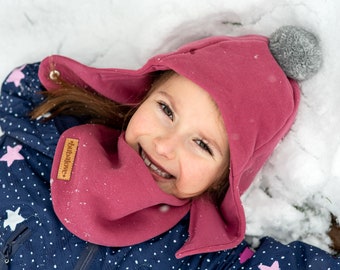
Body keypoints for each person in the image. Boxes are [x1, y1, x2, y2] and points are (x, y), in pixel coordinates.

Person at [1, 25, 339, 269]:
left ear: (223, 179)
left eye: (202, 145)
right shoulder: (34, 145)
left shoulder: (195, 256)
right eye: (166, 110)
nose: (164, 146)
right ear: (142, 97)